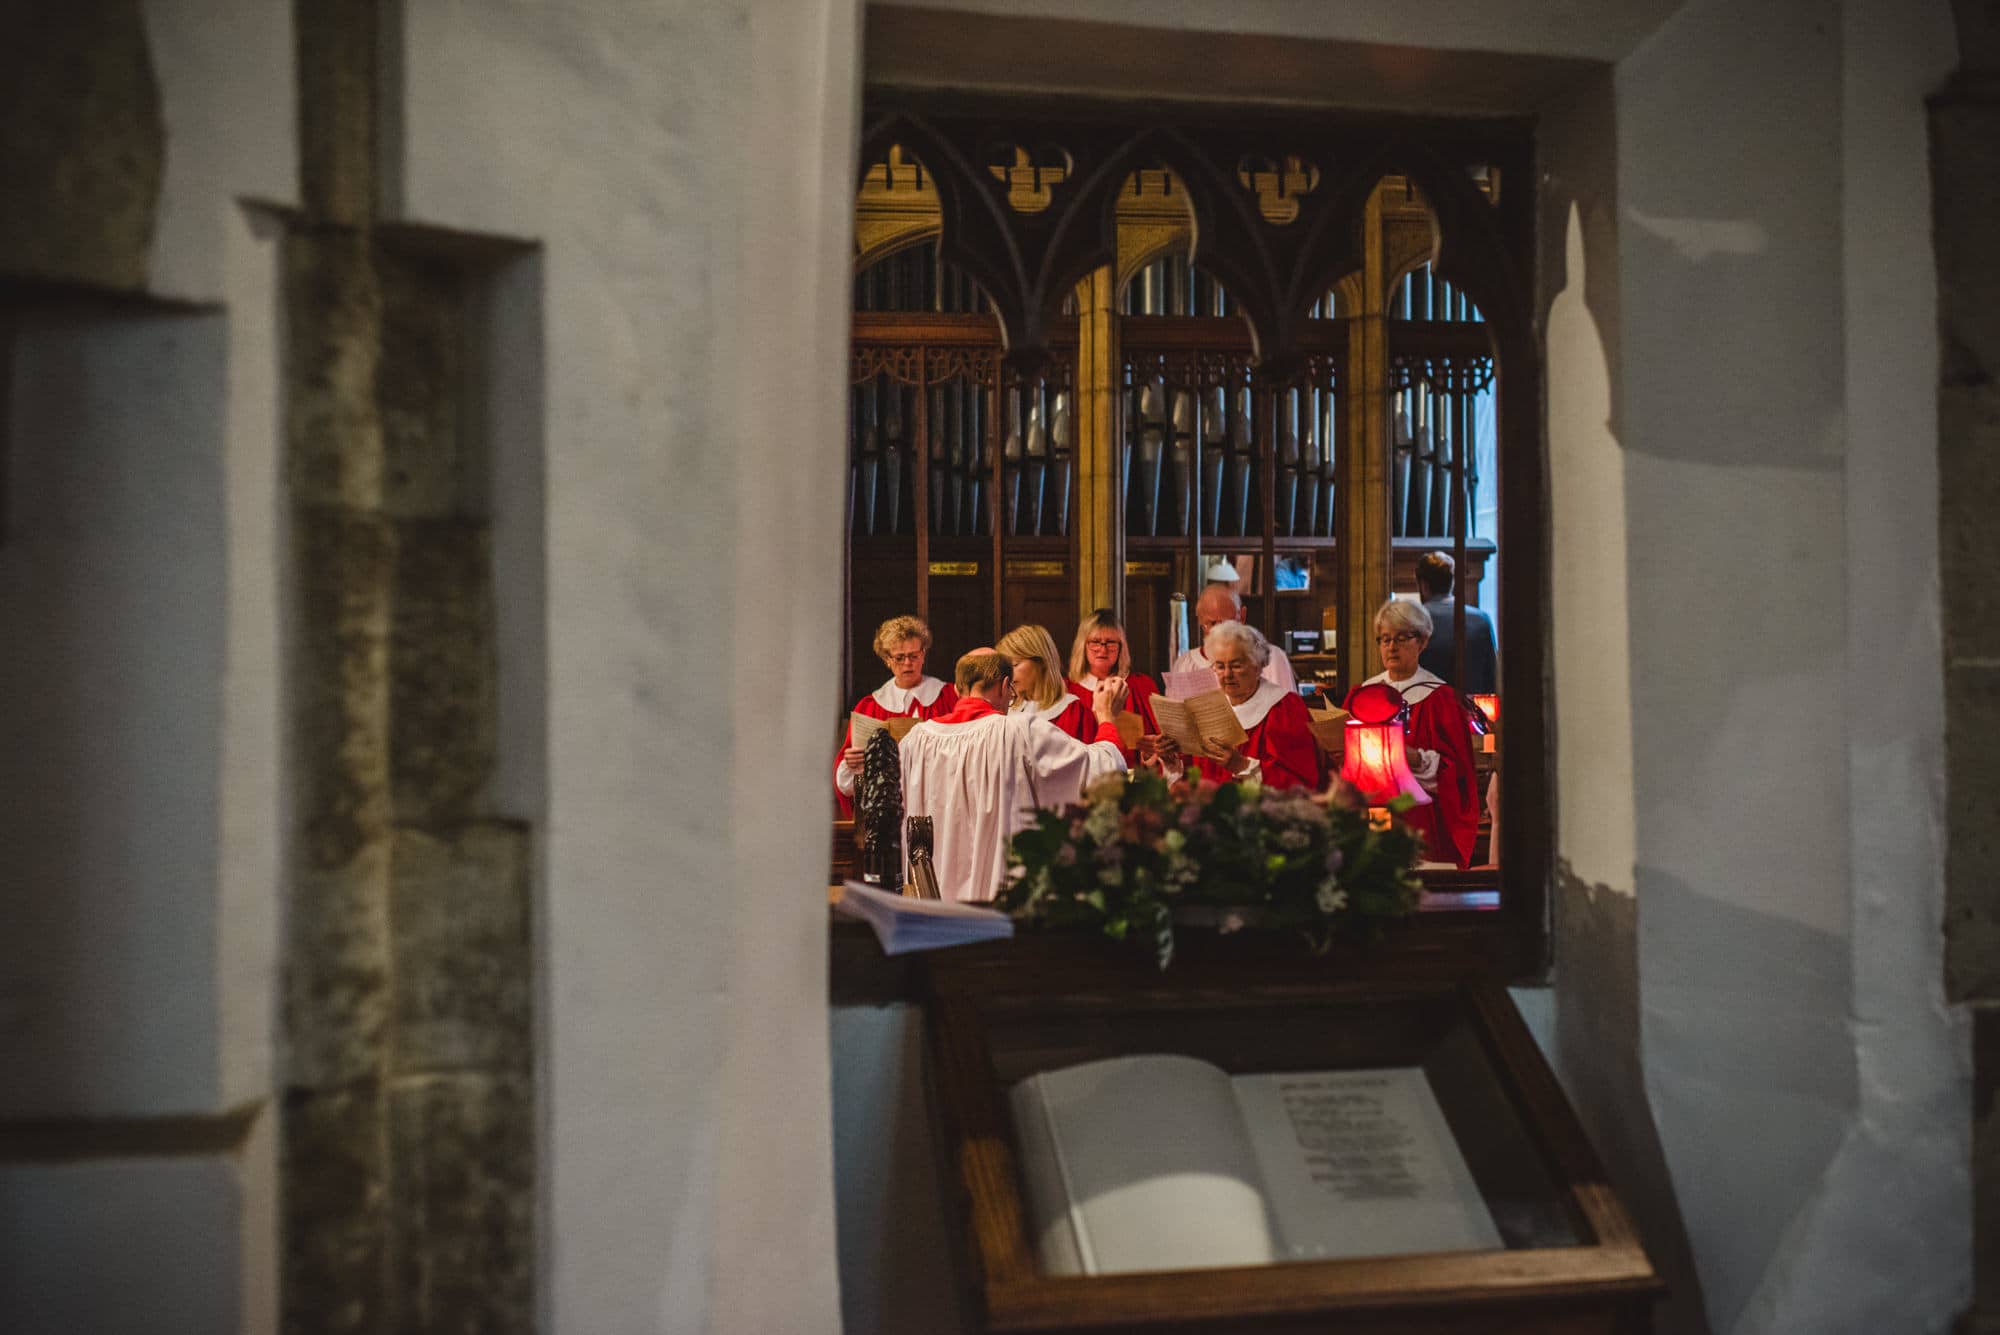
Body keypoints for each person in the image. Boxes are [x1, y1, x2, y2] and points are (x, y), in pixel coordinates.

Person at [900, 648, 1128, 902]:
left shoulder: (914, 742)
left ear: (957, 689)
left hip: (931, 908)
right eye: (1011, 694)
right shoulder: (1020, 732)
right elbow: (1103, 772)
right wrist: (1106, 716)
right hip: (1004, 906)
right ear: (1005, 685)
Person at [1348, 598, 1480, 868]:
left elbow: (1459, 774)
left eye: (1401, 638)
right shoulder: (1364, 695)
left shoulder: (1441, 698)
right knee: (1376, 872)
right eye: (1384, 639)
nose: (1391, 647)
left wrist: (1416, 759)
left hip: (1423, 817)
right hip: (1375, 811)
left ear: (1422, 642)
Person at [1158, 621, 1321, 790]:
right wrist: (1171, 761)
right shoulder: (1206, 709)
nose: (1227, 675)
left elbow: (1298, 783)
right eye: (1220, 666)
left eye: (1236, 666)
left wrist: (1242, 765)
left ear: (1257, 667)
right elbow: (1191, 778)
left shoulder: (1284, 708)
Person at [833, 614, 958, 819]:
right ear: (887, 660)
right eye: (899, 657)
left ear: (923, 654)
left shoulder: (949, 697)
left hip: (941, 806)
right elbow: (846, 784)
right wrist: (852, 764)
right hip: (888, 812)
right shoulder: (870, 707)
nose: (907, 663)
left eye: (914, 655)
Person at [1066, 608, 1158, 758]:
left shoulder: (1141, 687)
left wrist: (1150, 754)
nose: (1102, 650)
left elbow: (1158, 746)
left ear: (1121, 647)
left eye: (1110, 643)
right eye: (1095, 642)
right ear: (1083, 645)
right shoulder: (1068, 691)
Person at [1168, 584, 1296, 690]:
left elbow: (1287, 712)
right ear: (1201, 623)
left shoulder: (1271, 658)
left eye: (1225, 622)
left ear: (1242, 616)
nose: (1219, 631)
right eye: (1212, 623)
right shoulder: (1185, 664)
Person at [998, 623, 1096, 743]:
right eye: (1006, 667)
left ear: (1042, 663)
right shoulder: (1004, 710)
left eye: (1015, 664)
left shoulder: (1072, 711)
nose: (1008, 674)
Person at [1415, 550, 1497, 693]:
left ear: (1423, 584)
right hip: (1470, 709)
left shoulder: (1411, 620)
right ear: (1452, 582)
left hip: (1426, 708)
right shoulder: (1481, 619)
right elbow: (1492, 677)